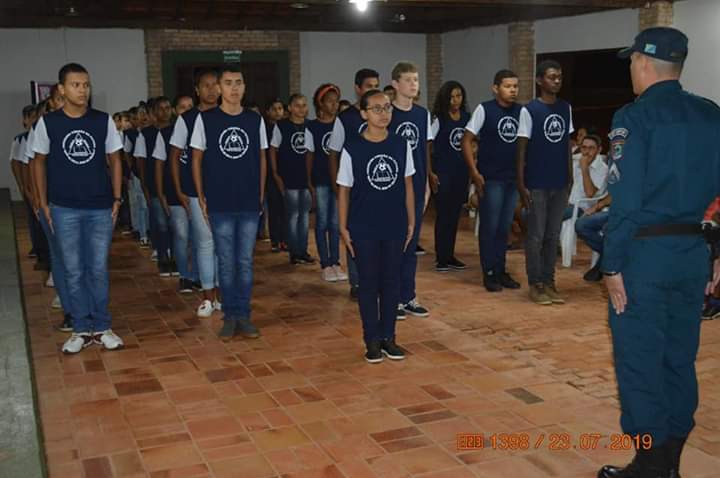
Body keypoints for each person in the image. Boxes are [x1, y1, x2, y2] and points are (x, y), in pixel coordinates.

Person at [599, 27, 720, 478]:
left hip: (644, 257)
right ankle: (669, 463)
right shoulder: (711, 115)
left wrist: (611, 263)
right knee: (678, 359)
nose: (631, 69)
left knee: (640, 361)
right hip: (692, 254)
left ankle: (649, 465)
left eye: (631, 61)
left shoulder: (634, 117)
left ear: (643, 63)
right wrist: (717, 252)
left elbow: (626, 201)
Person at [31, 63, 124, 354]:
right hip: (64, 207)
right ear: (61, 89)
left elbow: (115, 159)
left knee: (97, 269)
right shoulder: (48, 123)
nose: (82, 90)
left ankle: (102, 326)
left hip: (99, 207)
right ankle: (80, 328)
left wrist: (117, 198)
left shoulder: (102, 120)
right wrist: (43, 202)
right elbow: (38, 162)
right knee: (72, 270)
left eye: (86, 85)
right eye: (75, 85)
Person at [190, 64, 267, 341]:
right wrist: (201, 195)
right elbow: (196, 159)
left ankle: (243, 314)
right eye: (228, 83)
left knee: (244, 261)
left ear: (244, 87)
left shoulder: (254, 120)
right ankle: (230, 316)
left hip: (248, 201)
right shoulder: (205, 119)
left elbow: (262, 158)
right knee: (225, 261)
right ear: (219, 88)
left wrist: (260, 194)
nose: (234, 88)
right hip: (219, 201)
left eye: (238, 82)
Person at [337, 89, 415, 363]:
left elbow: (407, 184)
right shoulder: (352, 148)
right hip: (363, 225)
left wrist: (411, 220)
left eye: (387, 108)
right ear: (364, 113)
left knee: (392, 282)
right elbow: (344, 190)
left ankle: (389, 337)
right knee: (369, 283)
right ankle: (371, 339)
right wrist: (343, 227)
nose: (384, 114)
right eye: (377, 109)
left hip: (394, 223)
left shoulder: (401, 144)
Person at [516, 60, 574, 305]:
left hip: (559, 181)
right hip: (537, 181)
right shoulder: (529, 110)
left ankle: (549, 282)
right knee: (536, 236)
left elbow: (567, 145)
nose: (557, 81)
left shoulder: (565, 108)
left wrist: (570, 176)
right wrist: (521, 183)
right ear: (540, 80)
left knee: (552, 235)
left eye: (559, 77)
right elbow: (521, 149)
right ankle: (536, 284)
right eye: (552, 77)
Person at [462, 70, 523, 292]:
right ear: (495, 88)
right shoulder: (485, 109)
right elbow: (466, 140)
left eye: (515, 86)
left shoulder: (521, 111)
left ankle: (500, 270)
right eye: (508, 86)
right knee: (490, 227)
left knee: (504, 228)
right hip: (491, 178)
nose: (513, 90)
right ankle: (489, 272)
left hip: (512, 179)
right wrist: (474, 172)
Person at [169, 69, 221, 316]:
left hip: (225, 191)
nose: (211, 90)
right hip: (196, 190)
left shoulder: (228, 116)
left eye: (215, 84)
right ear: (197, 90)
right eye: (205, 85)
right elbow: (174, 156)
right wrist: (179, 189)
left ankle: (222, 294)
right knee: (205, 243)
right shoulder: (187, 119)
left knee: (223, 244)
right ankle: (208, 296)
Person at [328, 68, 380, 300]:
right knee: (355, 235)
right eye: (369, 86)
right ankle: (357, 282)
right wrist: (337, 187)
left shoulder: (383, 114)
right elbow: (333, 153)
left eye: (376, 85)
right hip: (354, 189)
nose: (373, 89)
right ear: (358, 89)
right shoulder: (346, 118)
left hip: (378, 185)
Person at [389, 61, 433, 319]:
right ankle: (392, 297)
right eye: (408, 80)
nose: (414, 84)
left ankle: (408, 296)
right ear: (395, 84)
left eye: (416, 80)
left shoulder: (422, 114)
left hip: (416, 187)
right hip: (392, 188)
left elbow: (424, 150)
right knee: (395, 244)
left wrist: (426, 182)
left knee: (411, 243)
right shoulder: (387, 113)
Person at [306, 83, 348, 282]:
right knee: (322, 222)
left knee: (335, 222)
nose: (334, 105)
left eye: (336, 101)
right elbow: (309, 155)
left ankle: (336, 262)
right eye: (330, 101)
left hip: (339, 180)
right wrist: (309, 182)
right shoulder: (312, 127)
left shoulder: (341, 124)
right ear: (320, 104)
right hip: (321, 180)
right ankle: (325, 263)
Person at [154, 95, 197, 292]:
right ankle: (185, 276)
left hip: (197, 193)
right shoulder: (165, 134)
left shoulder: (201, 128)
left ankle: (197, 275)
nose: (186, 110)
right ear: (175, 110)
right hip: (174, 193)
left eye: (190, 107)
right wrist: (161, 194)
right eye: (182, 107)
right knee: (182, 236)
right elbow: (159, 165)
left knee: (198, 237)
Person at [270, 94, 315, 265]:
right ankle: (294, 252)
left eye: (304, 105)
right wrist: (275, 173)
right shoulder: (281, 126)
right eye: (297, 105)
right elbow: (273, 149)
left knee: (304, 217)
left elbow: (312, 152)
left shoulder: (310, 126)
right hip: (288, 177)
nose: (301, 109)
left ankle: (303, 251)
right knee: (293, 216)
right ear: (289, 108)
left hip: (306, 178)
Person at [430, 81, 470, 273]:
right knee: (444, 215)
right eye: (452, 97)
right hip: (443, 173)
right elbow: (428, 145)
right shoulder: (439, 119)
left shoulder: (467, 118)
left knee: (454, 216)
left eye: (459, 96)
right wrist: (431, 172)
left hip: (461, 173)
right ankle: (441, 257)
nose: (455, 100)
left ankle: (450, 254)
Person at [564, 134, 609, 221]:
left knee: (553, 215)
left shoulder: (603, 169)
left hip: (582, 207)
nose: (587, 151)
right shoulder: (576, 160)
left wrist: (584, 168)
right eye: (584, 147)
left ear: (599, 150)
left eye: (591, 148)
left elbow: (590, 193)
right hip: (567, 203)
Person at [264, 98, 287, 253]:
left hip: (285, 172)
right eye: (275, 109)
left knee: (286, 208)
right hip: (270, 175)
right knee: (274, 208)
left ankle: (285, 239)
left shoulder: (285, 127)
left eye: (280, 108)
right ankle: (275, 240)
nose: (278, 112)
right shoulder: (265, 129)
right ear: (268, 112)